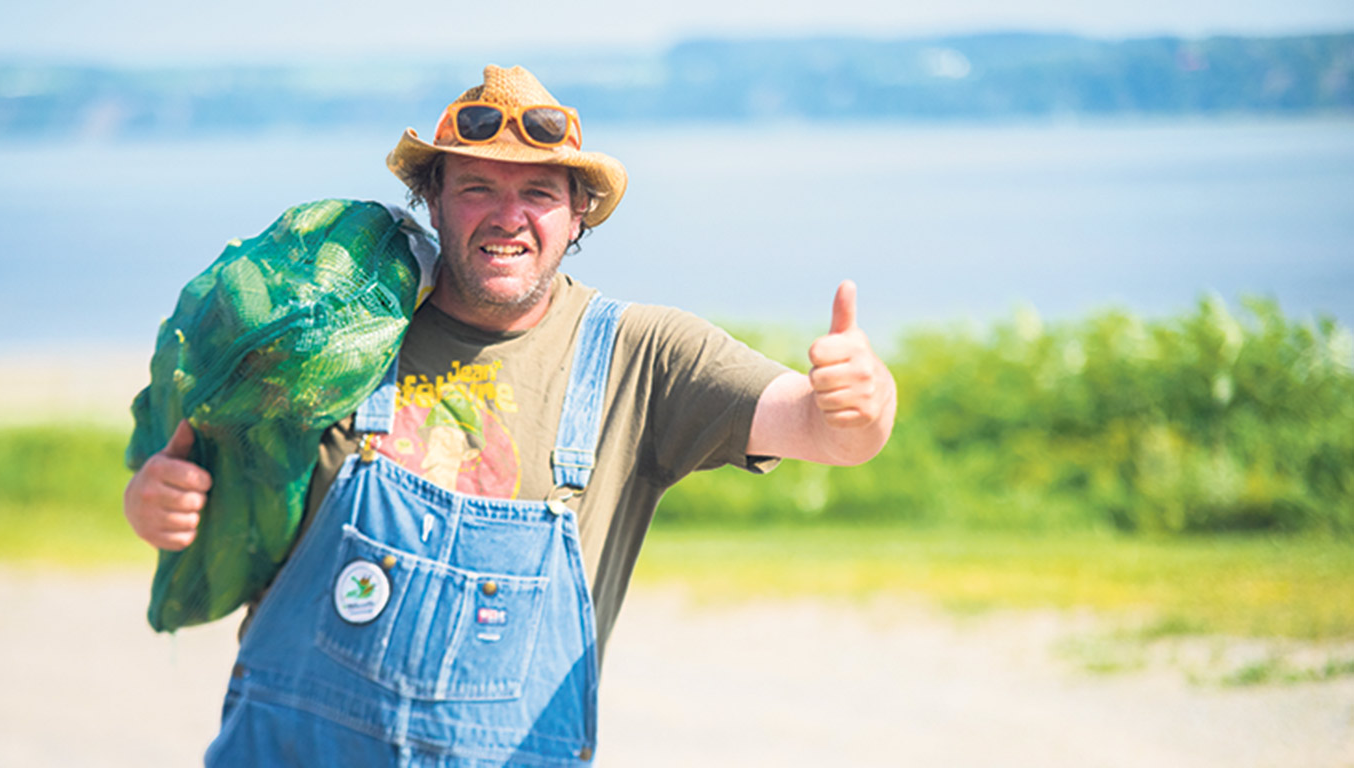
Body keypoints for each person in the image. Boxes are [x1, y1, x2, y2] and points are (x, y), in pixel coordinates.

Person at [123, 64, 896, 767]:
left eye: (538, 194)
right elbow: (195, 492)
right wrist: (155, 501)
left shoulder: (644, 356)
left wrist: (860, 398)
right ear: (431, 199)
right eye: (477, 189)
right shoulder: (342, 334)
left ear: (578, 214)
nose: (507, 217)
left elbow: (825, 431)